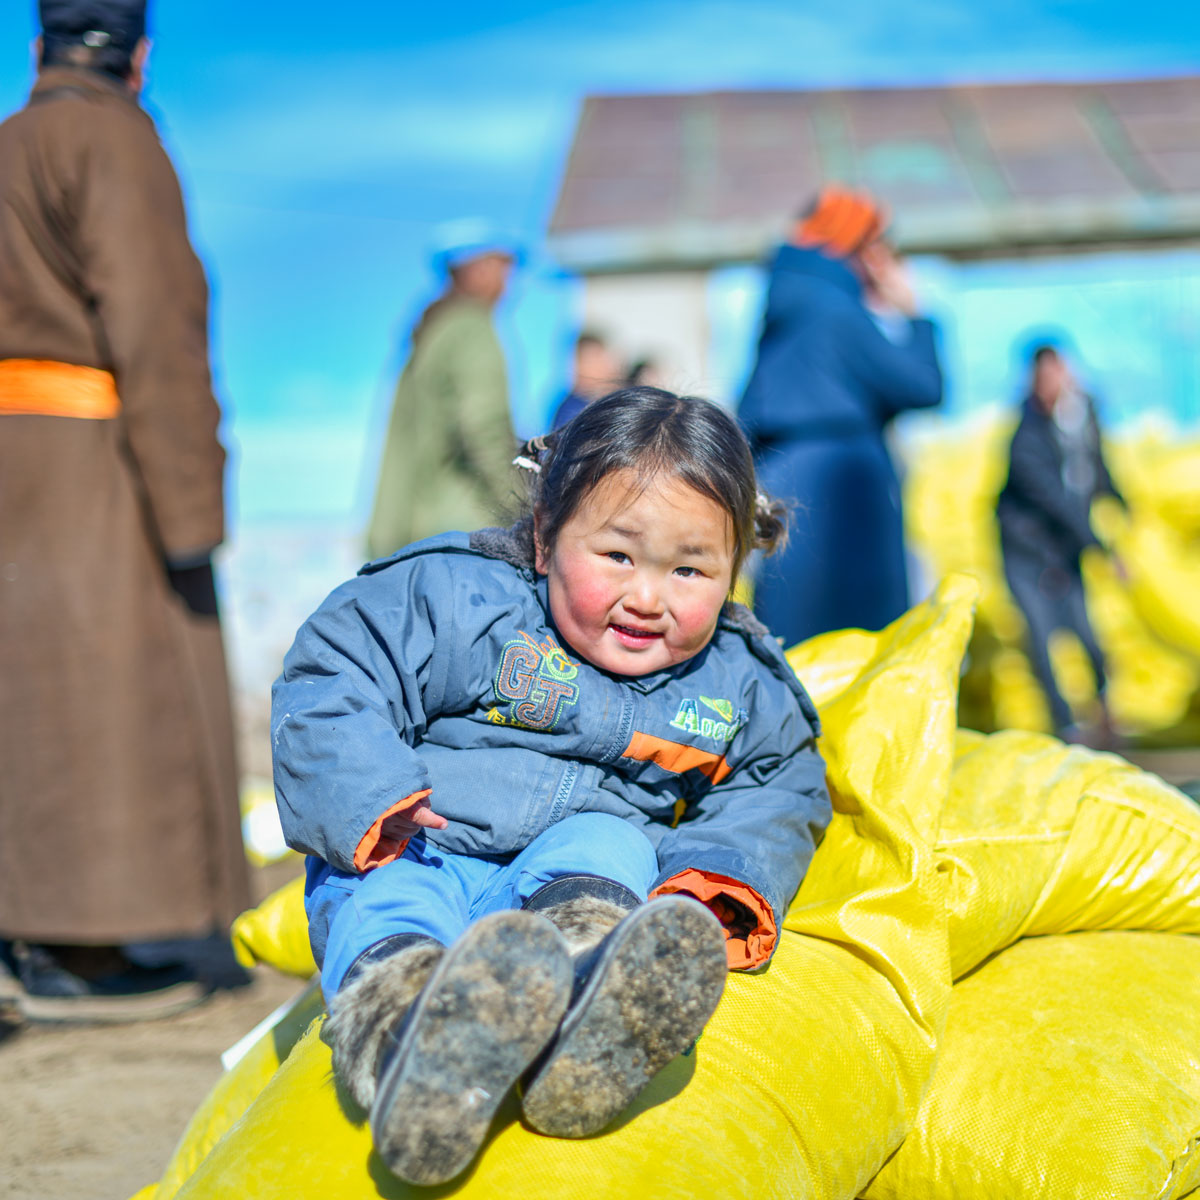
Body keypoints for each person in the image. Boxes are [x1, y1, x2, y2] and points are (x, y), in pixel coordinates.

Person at [273, 387, 831, 1186]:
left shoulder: (738, 681)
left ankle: (587, 1000)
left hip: (576, 874)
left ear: (734, 571)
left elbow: (778, 782)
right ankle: (412, 1038)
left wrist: (722, 878)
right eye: (617, 556)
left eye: (689, 569)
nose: (648, 596)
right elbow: (340, 666)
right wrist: (372, 799)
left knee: (609, 840)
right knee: (389, 898)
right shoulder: (464, 598)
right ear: (543, 539)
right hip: (426, 840)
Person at [0, 0, 250, 1020]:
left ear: (37, 47)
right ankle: (77, 947)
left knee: (30, 692)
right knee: (107, 696)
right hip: (96, 457)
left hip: (14, 457)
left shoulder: (12, 142)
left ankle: (36, 926)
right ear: (140, 55)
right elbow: (153, 327)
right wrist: (191, 508)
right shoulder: (114, 139)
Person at [738, 184, 944, 647]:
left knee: (798, 631)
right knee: (859, 639)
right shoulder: (835, 311)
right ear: (856, 246)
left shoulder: (786, 304)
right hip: (850, 483)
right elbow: (924, 386)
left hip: (787, 475)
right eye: (878, 246)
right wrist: (916, 316)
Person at [366, 221, 521, 559]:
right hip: (462, 532)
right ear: (476, 270)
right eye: (503, 267)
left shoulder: (433, 332)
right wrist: (523, 509)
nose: (509, 282)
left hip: (415, 530)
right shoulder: (472, 329)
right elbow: (484, 428)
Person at [996, 343, 1124, 745]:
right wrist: (1101, 547)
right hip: (1028, 553)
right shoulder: (1025, 439)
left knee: (1087, 634)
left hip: (1065, 549)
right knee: (1043, 636)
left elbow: (1096, 468)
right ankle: (1064, 725)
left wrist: (1121, 504)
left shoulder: (1083, 415)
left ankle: (1105, 713)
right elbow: (1056, 501)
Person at [549, 330, 621, 430]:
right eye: (597, 360)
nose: (606, 366)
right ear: (581, 363)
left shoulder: (594, 402)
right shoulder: (572, 410)